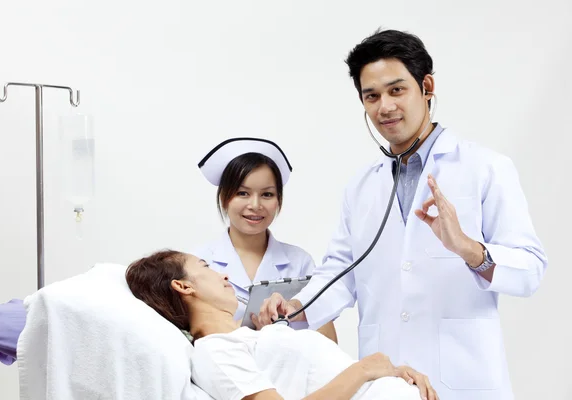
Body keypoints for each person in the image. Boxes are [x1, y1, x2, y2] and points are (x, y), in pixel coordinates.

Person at [255, 29, 547, 400]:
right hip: (387, 384)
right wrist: (298, 307)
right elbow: (340, 272)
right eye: (371, 96)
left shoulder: (485, 168)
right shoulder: (361, 186)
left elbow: (530, 270)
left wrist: (469, 249)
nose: (384, 107)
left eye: (397, 90)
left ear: (426, 86)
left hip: (463, 381)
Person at [125, 249, 439, 400]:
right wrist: (365, 369)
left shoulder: (249, 337)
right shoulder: (214, 350)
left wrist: (391, 371)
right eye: (205, 267)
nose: (222, 275)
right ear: (183, 286)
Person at [193, 138, 336, 341]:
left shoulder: (299, 262)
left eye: (267, 194)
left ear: (279, 199)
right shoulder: (200, 263)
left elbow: (327, 341)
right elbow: (194, 336)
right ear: (224, 197)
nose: (255, 205)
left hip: (293, 370)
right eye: (242, 193)